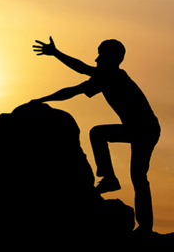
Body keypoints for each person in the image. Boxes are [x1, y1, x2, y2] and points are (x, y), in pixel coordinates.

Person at [30, 37, 161, 233]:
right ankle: (144, 225)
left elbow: (82, 69)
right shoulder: (104, 78)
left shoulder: (114, 76)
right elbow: (74, 90)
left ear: (111, 58)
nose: (97, 58)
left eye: (101, 54)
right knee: (138, 176)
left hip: (145, 128)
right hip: (145, 129)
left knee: (100, 135)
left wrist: (56, 54)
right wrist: (43, 99)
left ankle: (110, 180)